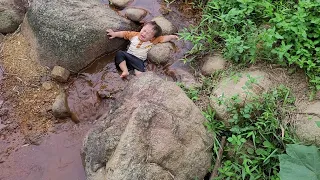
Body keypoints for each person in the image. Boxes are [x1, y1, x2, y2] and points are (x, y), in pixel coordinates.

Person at [107, 21, 178, 78]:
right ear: (142, 28)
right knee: (120, 54)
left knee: (140, 74)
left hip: (139, 60)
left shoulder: (152, 41)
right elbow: (124, 34)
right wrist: (115, 34)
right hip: (127, 57)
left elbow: (163, 38)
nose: (144, 34)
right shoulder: (134, 35)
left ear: (152, 38)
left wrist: (172, 37)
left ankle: (140, 80)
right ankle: (125, 71)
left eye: (148, 34)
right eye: (144, 30)